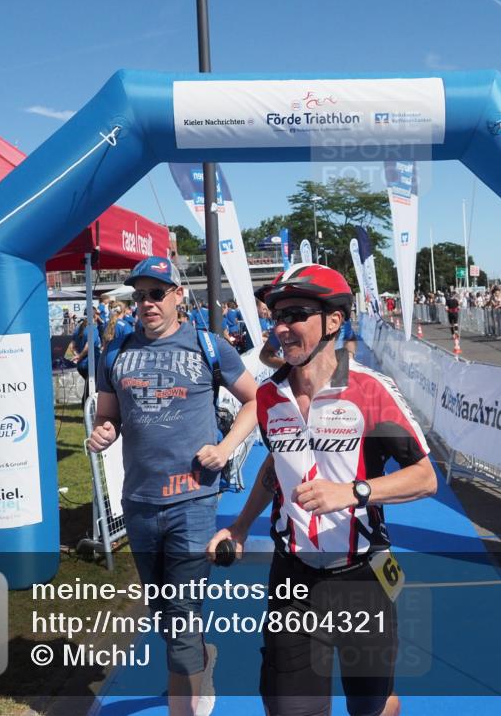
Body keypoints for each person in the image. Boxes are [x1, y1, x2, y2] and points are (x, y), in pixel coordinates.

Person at [206, 264, 437, 716]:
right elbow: (276, 465)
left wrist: (353, 492)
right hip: (293, 577)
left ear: (334, 321)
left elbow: (425, 478)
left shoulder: (369, 391)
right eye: (275, 315)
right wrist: (238, 525)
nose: (281, 328)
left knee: (370, 706)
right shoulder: (270, 397)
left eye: (294, 314)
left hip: (361, 579)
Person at [87, 256, 257, 716]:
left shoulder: (209, 345)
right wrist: (103, 432)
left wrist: (225, 450)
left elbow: (256, 401)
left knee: (181, 619)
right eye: (139, 295)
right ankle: (200, 659)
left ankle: (185, 699)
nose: (146, 303)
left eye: (156, 293)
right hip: (140, 503)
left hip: (193, 502)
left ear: (178, 295)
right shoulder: (115, 353)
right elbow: (108, 417)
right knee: (163, 614)